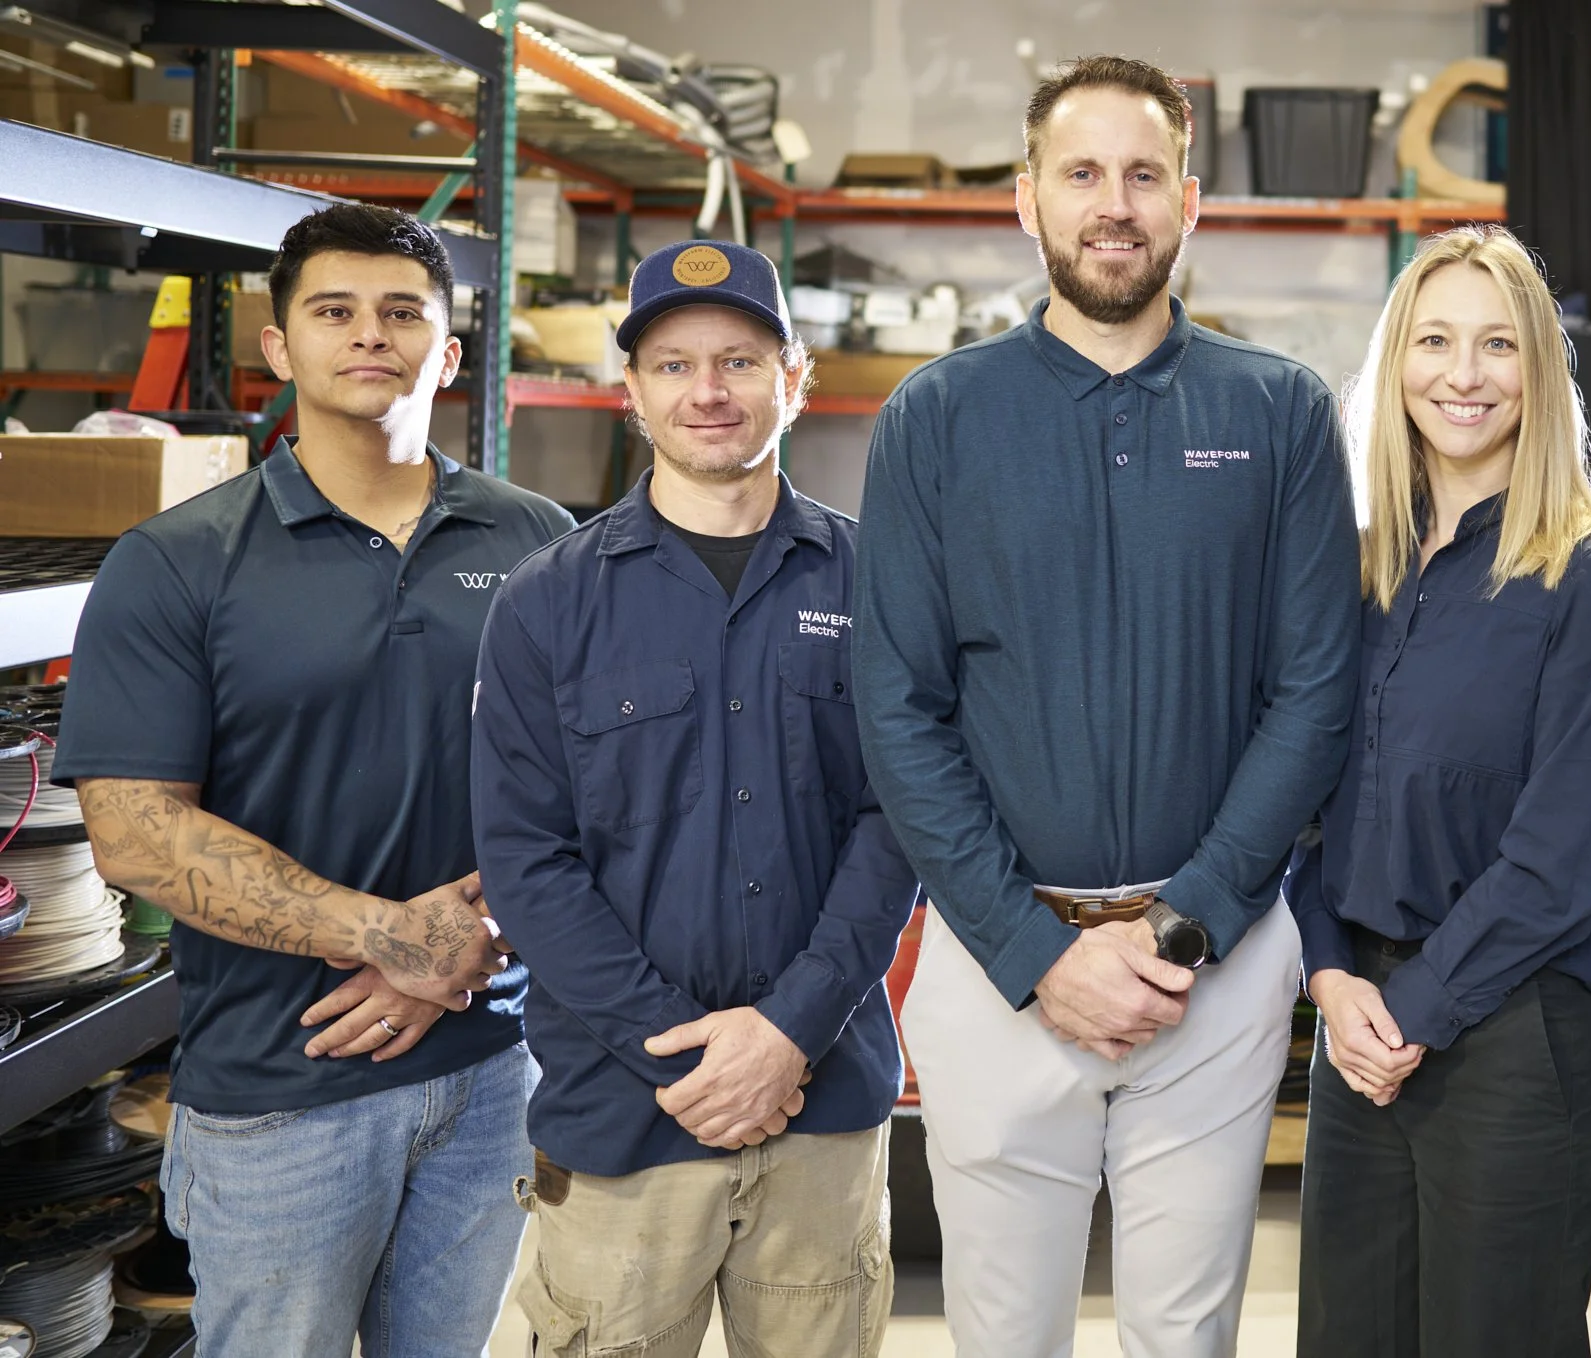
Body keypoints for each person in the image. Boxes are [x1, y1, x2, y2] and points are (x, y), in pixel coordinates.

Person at [854, 54, 1359, 1357]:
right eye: (1080, 173)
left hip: (1215, 971)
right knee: (1001, 1331)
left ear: (1189, 201)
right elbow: (898, 707)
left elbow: (1314, 691)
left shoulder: (1280, 411)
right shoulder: (937, 417)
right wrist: (1034, 953)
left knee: (1184, 1334)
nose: (1113, 204)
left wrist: (1186, 926)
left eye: (1144, 175)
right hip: (997, 962)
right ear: (1025, 199)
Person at [57, 203, 573, 1356]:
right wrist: (390, 937)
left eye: (402, 312)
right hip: (279, 1090)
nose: (369, 333)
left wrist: (471, 938)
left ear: (449, 352)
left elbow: (598, 782)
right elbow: (135, 831)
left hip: (492, 1066)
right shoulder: (175, 561)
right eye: (333, 311)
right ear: (278, 347)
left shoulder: (539, 540)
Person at [469, 239, 917, 1355]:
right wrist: (682, 1053)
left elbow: (901, 822)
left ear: (794, 378)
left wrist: (789, 1031)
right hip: (626, 1113)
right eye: (673, 365)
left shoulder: (881, 584)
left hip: (822, 1100)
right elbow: (526, 860)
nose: (707, 391)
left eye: (739, 361)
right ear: (629, 390)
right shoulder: (545, 603)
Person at [1287, 226, 1591, 1358]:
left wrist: (1410, 1008)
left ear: (1538, 370)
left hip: (1511, 1032)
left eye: (1498, 344)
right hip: (1357, 1022)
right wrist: (1329, 976)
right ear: (1395, 362)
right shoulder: (1354, 569)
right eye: (1436, 340)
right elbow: (1306, 807)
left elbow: (1563, 858)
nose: (1465, 373)